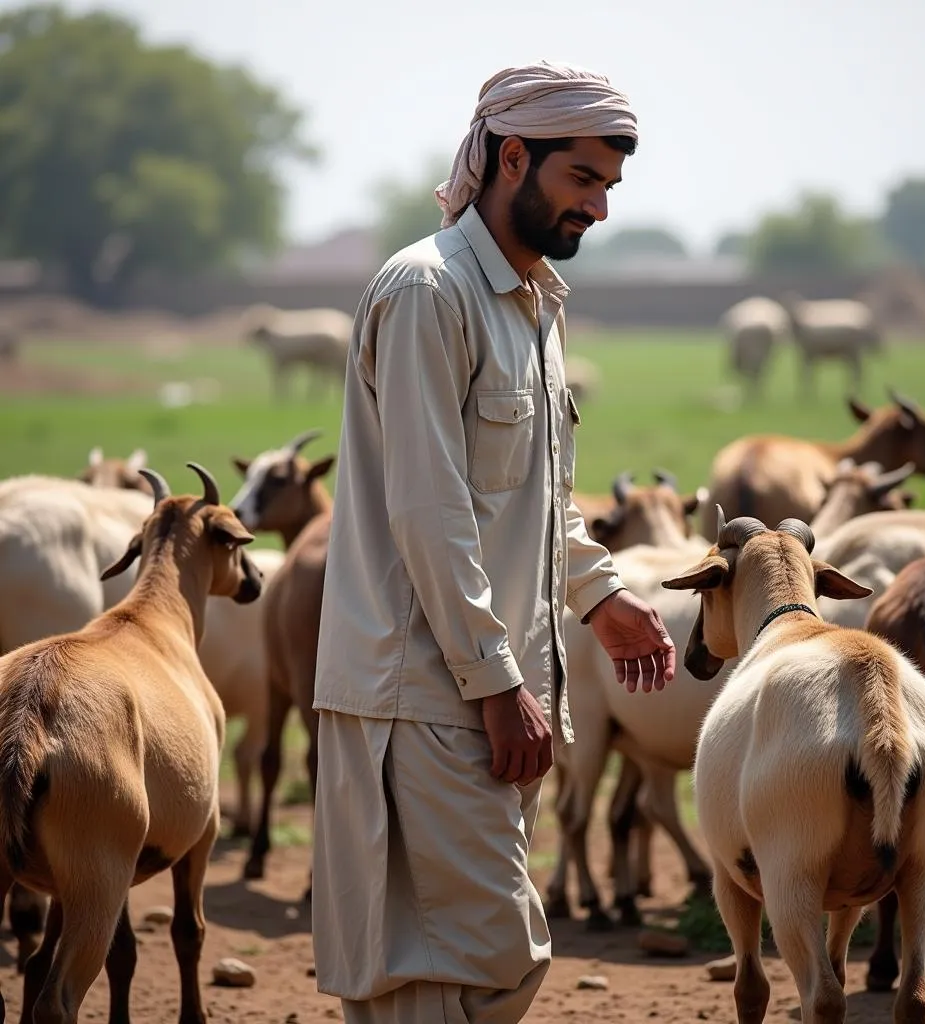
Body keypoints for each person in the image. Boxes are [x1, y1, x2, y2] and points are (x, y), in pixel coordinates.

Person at [311, 60, 676, 1024]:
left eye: (607, 187)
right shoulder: (430, 293)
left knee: (471, 962)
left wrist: (599, 594)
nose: (596, 207)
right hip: (426, 693)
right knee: (459, 965)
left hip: (494, 694)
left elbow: (534, 499)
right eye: (581, 180)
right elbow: (431, 513)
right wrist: (496, 683)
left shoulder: (534, 306)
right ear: (513, 156)